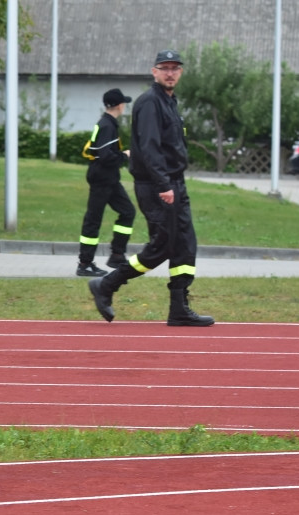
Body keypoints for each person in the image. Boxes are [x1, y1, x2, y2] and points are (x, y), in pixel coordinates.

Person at [88, 51, 214, 327]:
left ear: (180, 73)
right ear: (154, 71)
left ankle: (179, 308)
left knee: (184, 243)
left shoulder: (170, 102)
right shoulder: (149, 103)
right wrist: (163, 184)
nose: (170, 73)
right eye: (164, 68)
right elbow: (150, 147)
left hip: (174, 183)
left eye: (175, 68)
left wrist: (172, 183)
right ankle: (107, 285)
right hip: (158, 186)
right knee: (162, 244)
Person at [76, 88, 137, 277]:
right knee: (93, 220)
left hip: (110, 179)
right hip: (102, 179)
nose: (124, 106)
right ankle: (85, 264)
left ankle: (117, 255)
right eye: (124, 103)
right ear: (119, 105)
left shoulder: (108, 123)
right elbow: (104, 156)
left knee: (127, 211)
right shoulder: (107, 125)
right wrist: (124, 155)